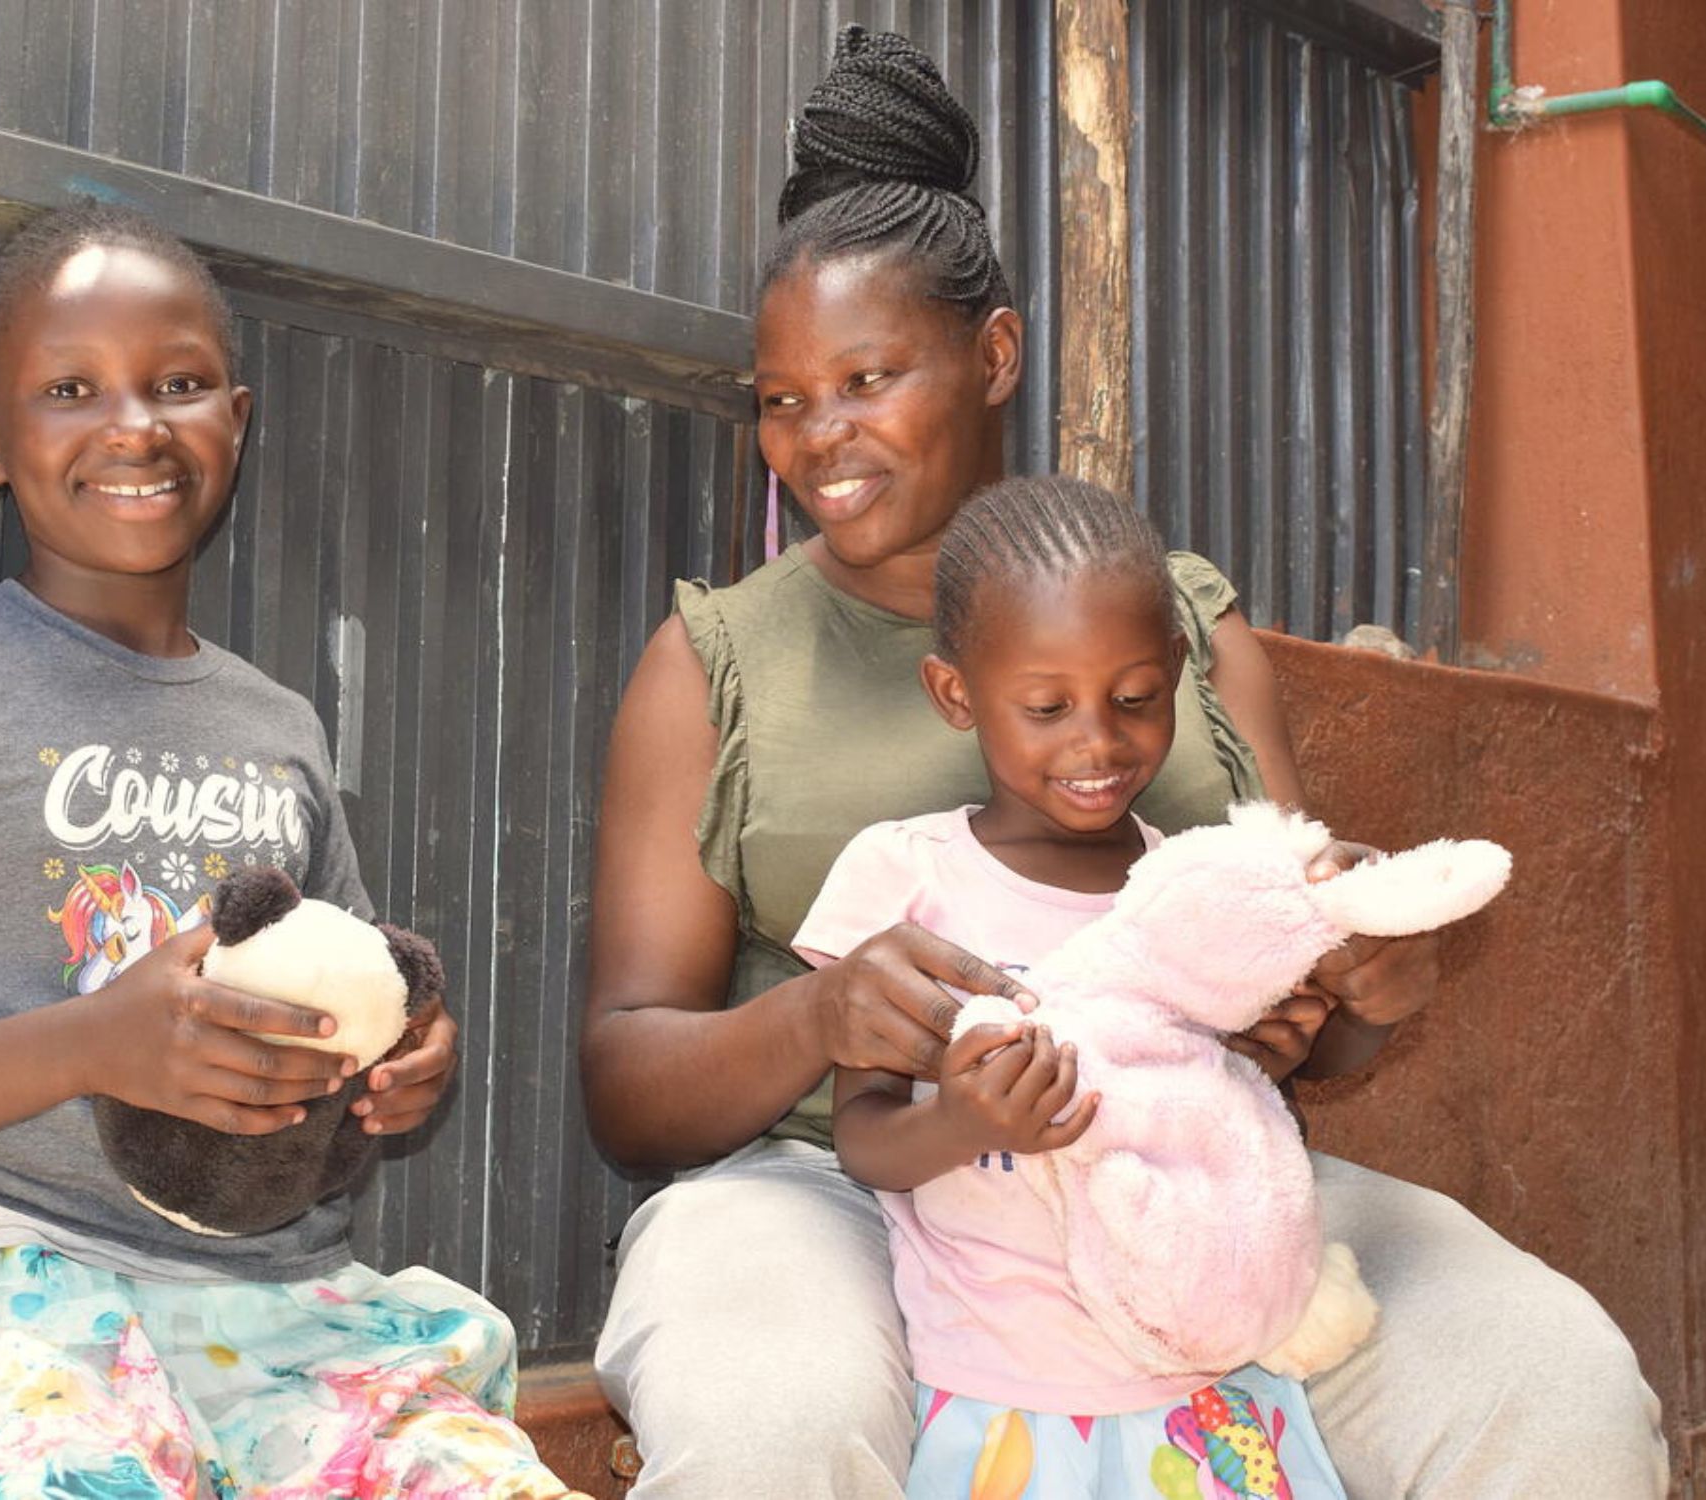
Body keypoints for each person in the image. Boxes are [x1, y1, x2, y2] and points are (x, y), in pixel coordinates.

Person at [582, 25, 1666, 1500]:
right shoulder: (712, 663)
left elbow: (1298, 1011)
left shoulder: (1183, 630)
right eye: (782, 400)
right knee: (772, 1421)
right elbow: (627, 1082)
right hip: (840, 1182)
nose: (815, 440)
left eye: (868, 379)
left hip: (1177, 1168)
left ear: (996, 354)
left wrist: (1357, 1001)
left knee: (1551, 1385)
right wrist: (823, 1016)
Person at [0, 202, 585, 1500]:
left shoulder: (278, 726)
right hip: (4, 1292)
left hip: (284, 1307)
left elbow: (353, 998)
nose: (133, 424)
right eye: (70, 388)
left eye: (177, 384)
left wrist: (398, 1065)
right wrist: (93, 1043)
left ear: (235, 418)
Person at [798, 475, 1347, 1497]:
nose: (1095, 741)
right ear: (954, 693)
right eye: (1045, 707)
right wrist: (963, 1123)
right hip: (1001, 1392)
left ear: (1176, 676)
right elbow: (864, 1133)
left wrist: (1272, 1049)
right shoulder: (904, 874)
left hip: (1199, 1395)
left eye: (1134, 699)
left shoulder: (1183, 895)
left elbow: (1225, 1109)